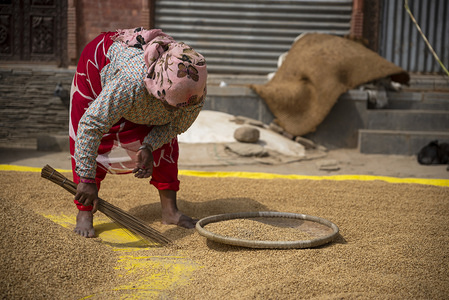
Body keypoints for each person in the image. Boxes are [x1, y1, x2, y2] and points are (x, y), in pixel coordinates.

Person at [69, 27, 207, 238]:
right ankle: (85, 211)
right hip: (98, 68)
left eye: (180, 106)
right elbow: (90, 126)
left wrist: (148, 145)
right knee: (98, 138)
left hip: (138, 99)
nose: (175, 111)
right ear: (156, 89)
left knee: (167, 145)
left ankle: (170, 211)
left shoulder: (194, 90)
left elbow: (174, 127)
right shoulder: (130, 83)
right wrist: (86, 179)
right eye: (170, 104)